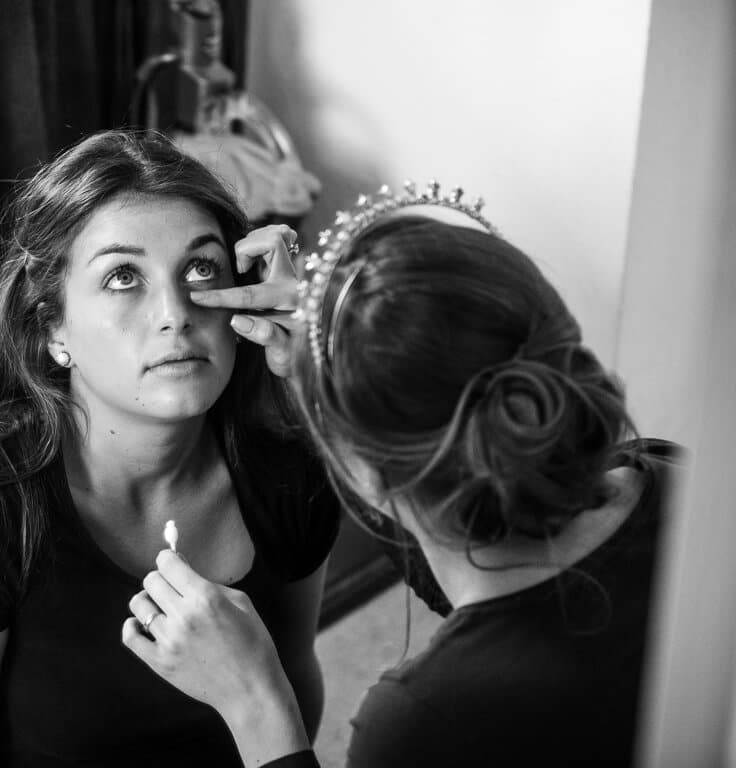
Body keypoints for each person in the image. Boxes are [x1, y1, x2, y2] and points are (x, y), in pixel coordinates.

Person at [123, 185, 680, 767]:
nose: (174, 316)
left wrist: (256, 703)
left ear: (359, 472)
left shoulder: (428, 723)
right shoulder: (670, 475)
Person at [0, 129, 343, 767]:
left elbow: (291, 701)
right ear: (52, 328)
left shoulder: (289, 473)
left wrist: (324, 372)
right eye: (124, 276)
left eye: (201, 267)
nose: (175, 311)